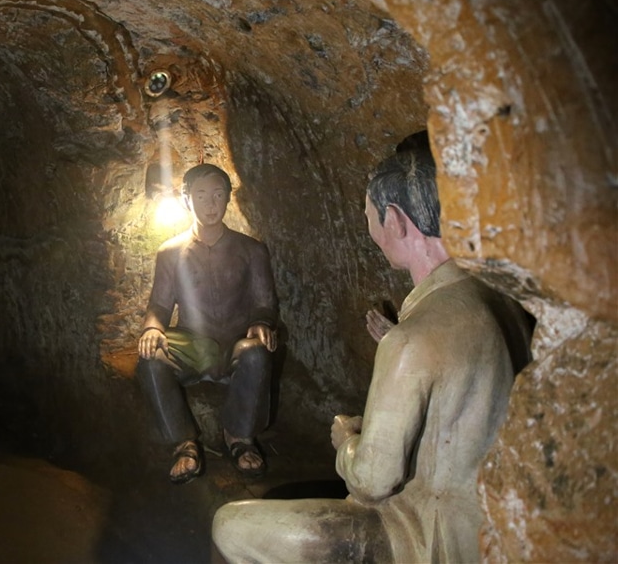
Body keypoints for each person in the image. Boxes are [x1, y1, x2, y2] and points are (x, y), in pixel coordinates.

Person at [212, 141, 533, 562]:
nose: (370, 229)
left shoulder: (413, 341)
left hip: (430, 535)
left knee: (230, 524)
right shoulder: (507, 299)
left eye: (369, 217)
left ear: (396, 220)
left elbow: (372, 479)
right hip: (501, 523)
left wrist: (348, 441)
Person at [136, 163, 279, 485]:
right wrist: (152, 328)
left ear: (229, 198)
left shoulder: (251, 250)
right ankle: (184, 443)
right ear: (187, 200)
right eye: (201, 196)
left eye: (218, 195)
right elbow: (159, 303)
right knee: (150, 359)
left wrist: (261, 322)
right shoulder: (170, 252)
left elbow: (263, 302)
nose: (211, 204)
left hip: (235, 342)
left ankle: (239, 438)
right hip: (192, 343)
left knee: (257, 353)